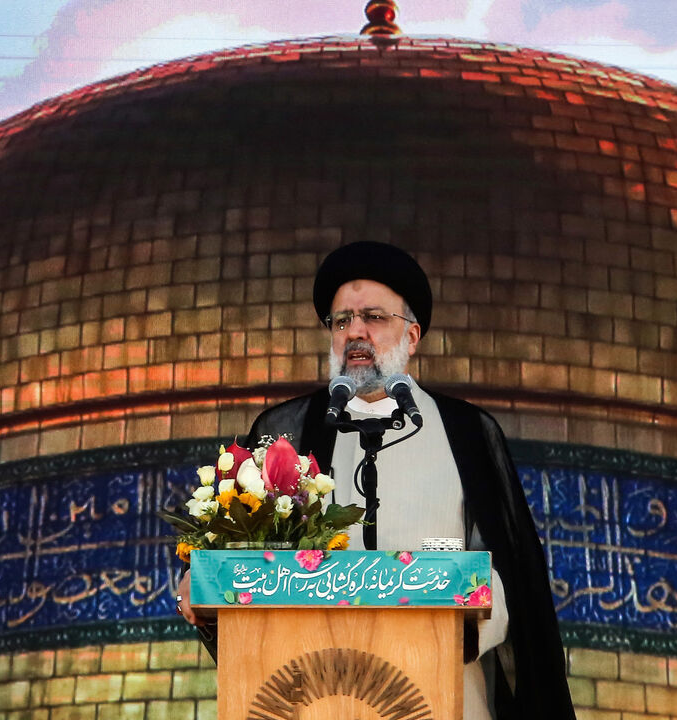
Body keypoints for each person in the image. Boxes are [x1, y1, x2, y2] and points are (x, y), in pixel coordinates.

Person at [176, 241, 575, 720]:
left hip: (443, 695)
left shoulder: (466, 432)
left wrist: (457, 614)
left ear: (412, 335)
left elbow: (514, 577)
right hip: (315, 696)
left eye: (374, 318)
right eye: (342, 321)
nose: (355, 333)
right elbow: (245, 560)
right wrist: (209, 581)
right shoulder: (289, 433)